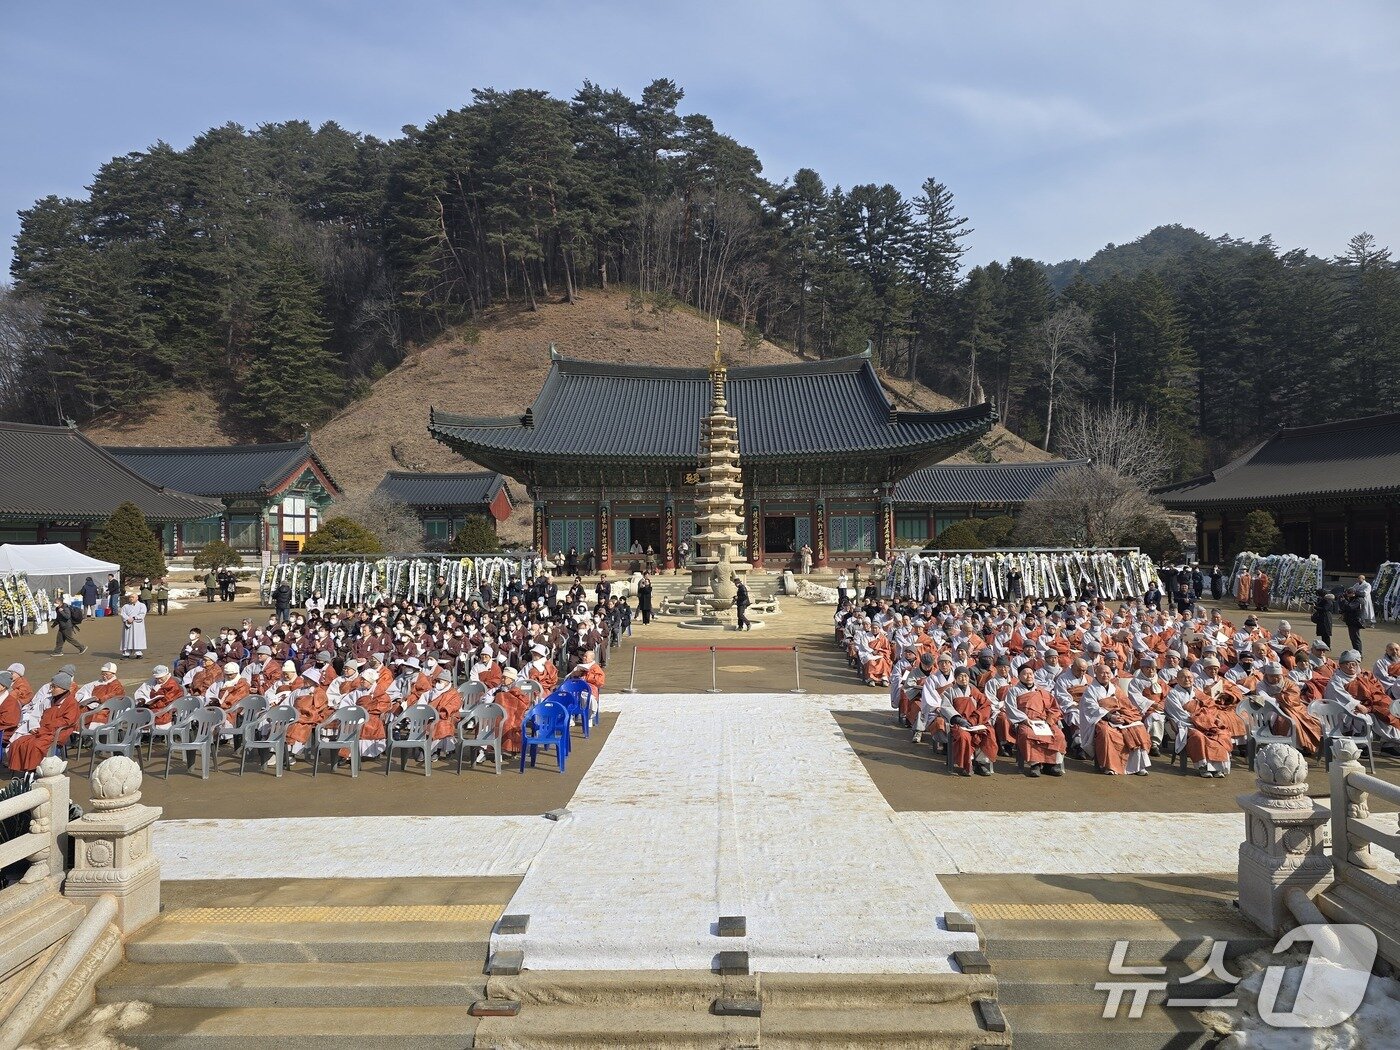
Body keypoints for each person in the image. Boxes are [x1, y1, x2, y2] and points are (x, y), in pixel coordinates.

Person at [119, 592, 148, 659]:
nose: (131, 598)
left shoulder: (142, 605)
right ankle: (126, 653)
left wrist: (134, 618)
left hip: (137, 625)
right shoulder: (125, 606)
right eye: (130, 597)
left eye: (133, 597)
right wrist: (127, 619)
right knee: (127, 638)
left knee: (137, 638)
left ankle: (138, 653)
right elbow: (122, 614)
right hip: (128, 625)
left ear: (137, 598)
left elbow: (142, 614)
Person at [1339, 588, 1366, 657]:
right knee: (1353, 638)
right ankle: (1356, 652)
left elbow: (1349, 607)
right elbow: (1345, 608)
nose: (1347, 595)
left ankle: (1359, 654)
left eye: (1348, 594)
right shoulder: (1353, 599)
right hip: (1352, 620)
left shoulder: (1359, 600)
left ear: (1353, 593)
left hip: (1355, 621)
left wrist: (1344, 600)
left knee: (1355, 638)